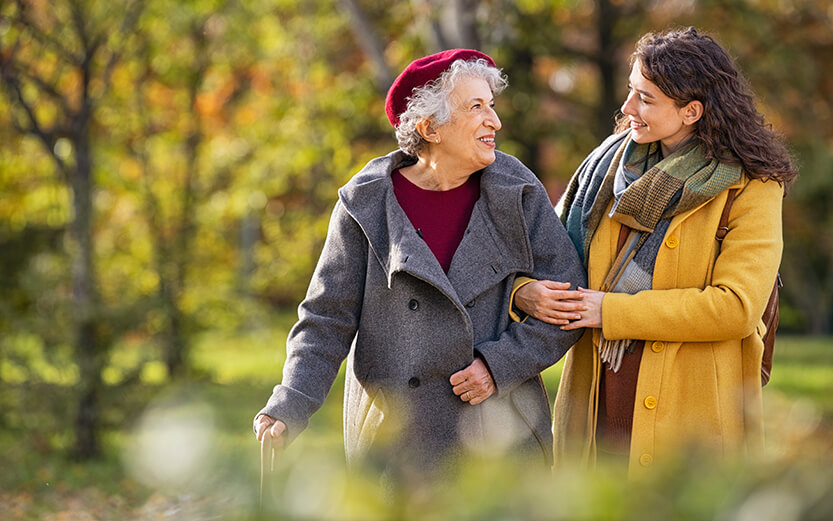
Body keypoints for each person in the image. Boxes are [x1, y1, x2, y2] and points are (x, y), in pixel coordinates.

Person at [253, 49, 586, 480]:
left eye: (492, 105)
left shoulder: (517, 190)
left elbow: (569, 301)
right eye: (476, 107)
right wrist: (290, 402)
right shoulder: (366, 204)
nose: (495, 121)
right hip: (397, 440)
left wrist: (499, 364)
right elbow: (326, 318)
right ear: (429, 127)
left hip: (501, 435)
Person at [512, 27, 797, 476]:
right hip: (594, 417)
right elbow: (541, 258)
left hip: (691, 428)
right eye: (630, 91)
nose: (627, 109)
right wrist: (525, 292)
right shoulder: (604, 173)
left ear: (691, 111)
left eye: (645, 99)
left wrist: (613, 311)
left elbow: (736, 307)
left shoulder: (753, 187)